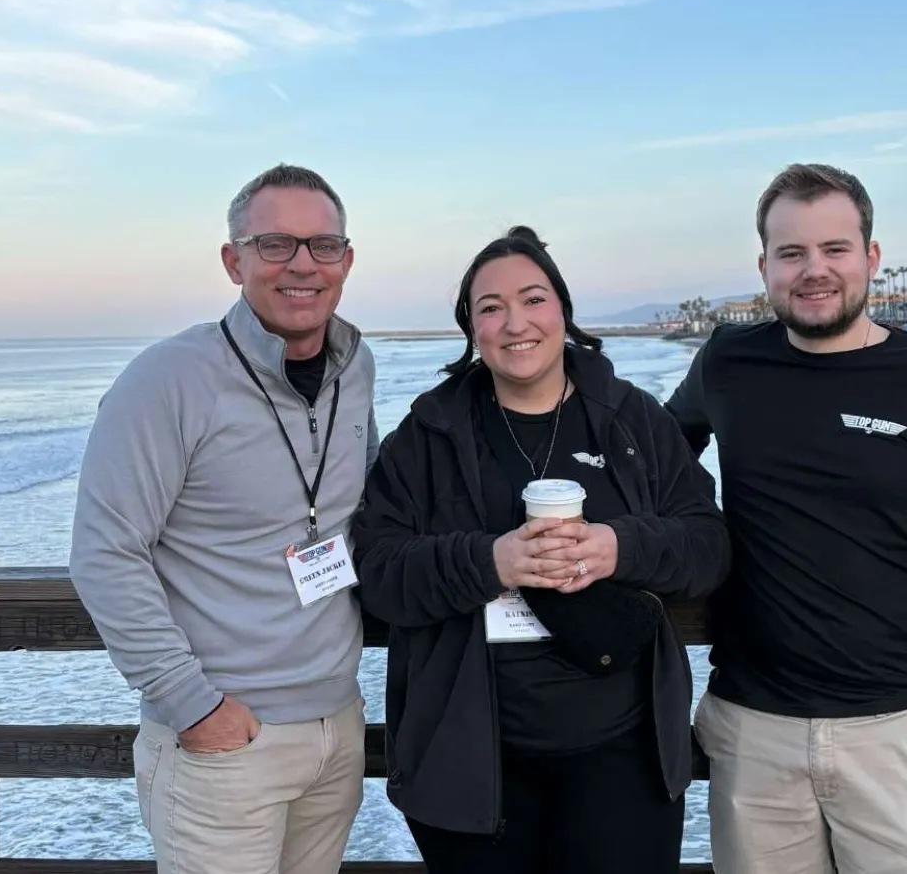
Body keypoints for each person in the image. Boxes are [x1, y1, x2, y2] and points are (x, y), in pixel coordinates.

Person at [666, 163, 907, 874]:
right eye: (792, 253)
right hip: (753, 733)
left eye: (834, 249)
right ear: (765, 265)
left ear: (869, 257)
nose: (814, 271)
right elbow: (646, 459)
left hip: (903, 737)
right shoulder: (728, 362)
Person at [350, 225, 730, 874]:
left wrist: (618, 546)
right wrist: (489, 562)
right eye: (490, 307)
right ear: (470, 326)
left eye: (532, 299)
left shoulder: (631, 420)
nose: (514, 322)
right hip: (468, 761)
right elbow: (379, 570)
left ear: (563, 310)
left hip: (624, 752)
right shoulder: (429, 434)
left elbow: (707, 545)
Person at [69, 163, 377, 874]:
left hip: (336, 726)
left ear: (347, 261)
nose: (302, 264)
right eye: (275, 244)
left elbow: (370, 511)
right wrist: (193, 706)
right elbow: (105, 551)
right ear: (233, 260)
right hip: (224, 743)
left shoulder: (354, 370)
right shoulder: (168, 379)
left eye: (323, 246)